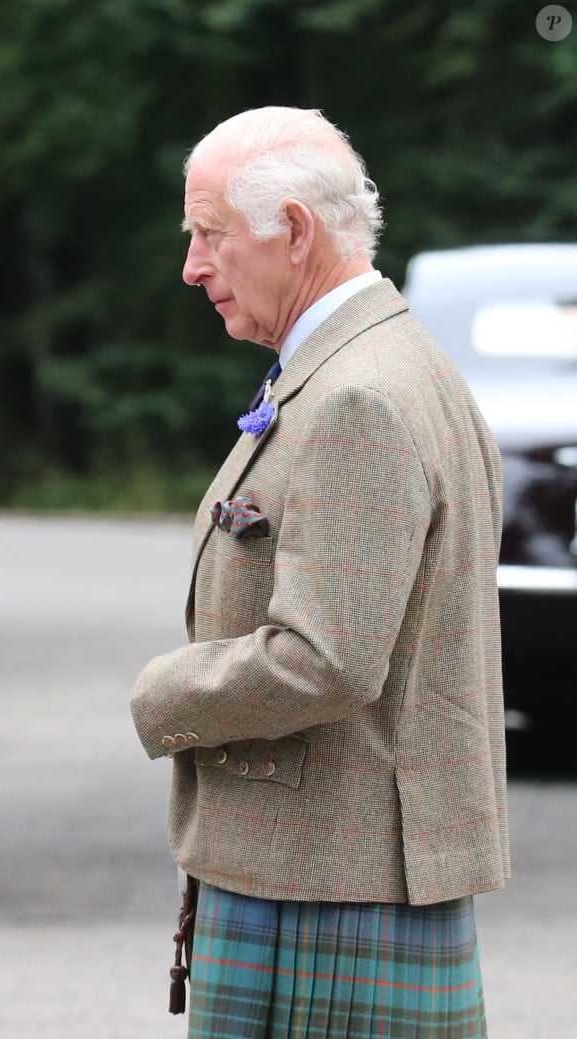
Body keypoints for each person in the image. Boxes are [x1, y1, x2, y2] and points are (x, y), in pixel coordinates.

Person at [131, 106, 509, 1038]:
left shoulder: (360, 396)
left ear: (294, 232)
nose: (191, 266)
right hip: (337, 877)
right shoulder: (381, 362)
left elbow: (326, 657)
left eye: (210, 234)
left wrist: (165, 692)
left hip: (328, 889)